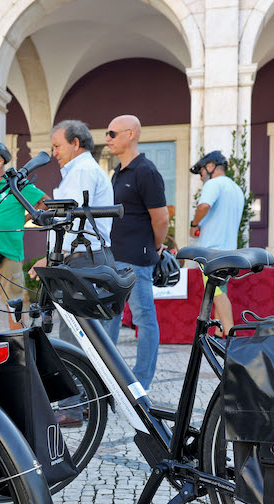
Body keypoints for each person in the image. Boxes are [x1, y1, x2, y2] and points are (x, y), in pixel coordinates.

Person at [30, 119, 114, 426]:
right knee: (81, 334)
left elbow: (72, 223)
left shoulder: (81, 171)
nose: (53, 153)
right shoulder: (81, 171)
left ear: (75, 143)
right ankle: (86, 399)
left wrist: (50, 260)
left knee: (73, 336)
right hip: (82, 258)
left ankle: (71, 407)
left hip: (81, 258)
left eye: (57, 146)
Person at [102, 114, 169, 390]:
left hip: (137, 260)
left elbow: (161, 218)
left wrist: (153, 247)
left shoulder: (146, 171)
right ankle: (108, 376)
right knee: (110, 318)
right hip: (115, 256)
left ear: (131, 134)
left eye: (112, 133)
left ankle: (142, 380)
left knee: (144, 319)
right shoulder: (119, 171)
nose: (107, 138)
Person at [0, 140, 47, 330]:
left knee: (14, 307)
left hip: (8, 254)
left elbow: (45, 203)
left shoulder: (14, 185)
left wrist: (23, 220)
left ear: (0, 161)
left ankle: (19, 349)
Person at [189, 150, 243, 337]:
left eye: (202, 171)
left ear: (211, 167)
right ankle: (221, 333)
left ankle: (229, 331)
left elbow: (204, 206)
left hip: (212, 252)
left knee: (217, 292)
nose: (201, 176)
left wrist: (194, 224)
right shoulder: (236, 189)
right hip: (229, 250)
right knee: (220, 289)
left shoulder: (214, 184)